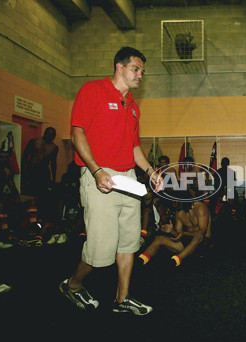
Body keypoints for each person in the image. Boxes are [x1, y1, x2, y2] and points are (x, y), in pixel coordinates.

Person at [59, 46, 160, 315]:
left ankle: (122, 298)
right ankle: (72, 285)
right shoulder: (93, 91)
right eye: (136, 69)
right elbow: (77, 133)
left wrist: (151, 172)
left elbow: (134, 148)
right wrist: (95, 170)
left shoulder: (134, 107)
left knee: (129, 243)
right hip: (100, 176)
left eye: (142, 71)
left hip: (128, 179)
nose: (140, 75)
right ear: (119, 67)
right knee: (100, 251)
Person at [138, 199, 211, 267]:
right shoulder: (179, 213)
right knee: (158, 239)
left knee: (199, 236)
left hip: (202, 244)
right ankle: (141, 260)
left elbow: (203, 231)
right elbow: (178, 236)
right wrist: (171, 231)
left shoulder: (200, 208)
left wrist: (184, 233)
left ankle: (175, 261)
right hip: (187, 244)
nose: (174, 204)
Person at [21, 126, 59, 240]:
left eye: (52, 134)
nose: (49, 136)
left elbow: (53, 163)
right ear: (44, 133)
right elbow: (25, 157)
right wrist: (23, 173)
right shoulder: (34, 142)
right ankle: (28, 223)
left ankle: (38, 223)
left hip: (43, 173)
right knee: (29, 197)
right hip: (31, 170)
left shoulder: (54, 147)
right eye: (48, 133)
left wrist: (53, 179)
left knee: (41, 198)